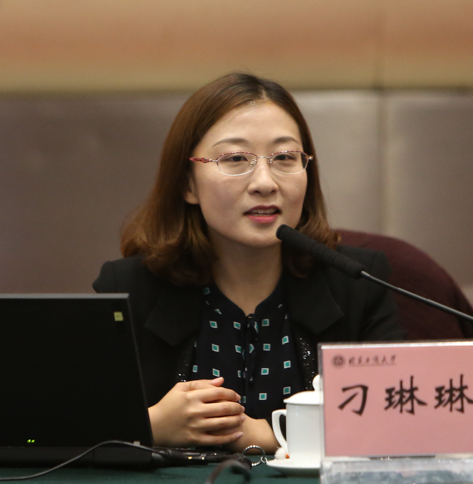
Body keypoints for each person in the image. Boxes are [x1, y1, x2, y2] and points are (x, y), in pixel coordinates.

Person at [93, 72, 404, 453]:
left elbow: (398, 425)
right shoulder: (127, 290)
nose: (264, 182)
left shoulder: (358, 284)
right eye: (236, 158)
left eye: (284, 158)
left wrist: (268, 438)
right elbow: (56, 430)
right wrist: (151, 425)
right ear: (188, 184)